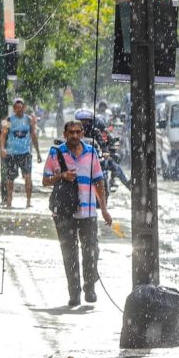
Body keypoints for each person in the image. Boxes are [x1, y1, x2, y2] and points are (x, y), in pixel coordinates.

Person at [42, 120, 112, 306]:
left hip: (88, 212)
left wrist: (103, 209)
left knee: (91, 251)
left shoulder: (91, 152)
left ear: (82, 134)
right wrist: (61, 176)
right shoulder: (55, 153)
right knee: (69, 254)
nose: (74, 135)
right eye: (70, 132)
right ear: (65, 134)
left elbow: (99, 181)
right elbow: (45, 180)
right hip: (64, 213)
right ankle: (74, 293)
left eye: (77, 132)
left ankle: (89, 286)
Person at [0, 97, 41, 208]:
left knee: (28, 177)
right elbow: (3, 135)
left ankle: (28, 201)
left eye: (21, 107)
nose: (19, 110)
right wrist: (2, 149)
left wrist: (38, 152)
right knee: (10, 179)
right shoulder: (8, 119)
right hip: (11, 153)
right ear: (14, 109)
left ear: (24, 108)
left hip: (25, 153)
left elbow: (34, 136)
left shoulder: (29, 120)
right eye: (17, 108)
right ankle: (9, 200)